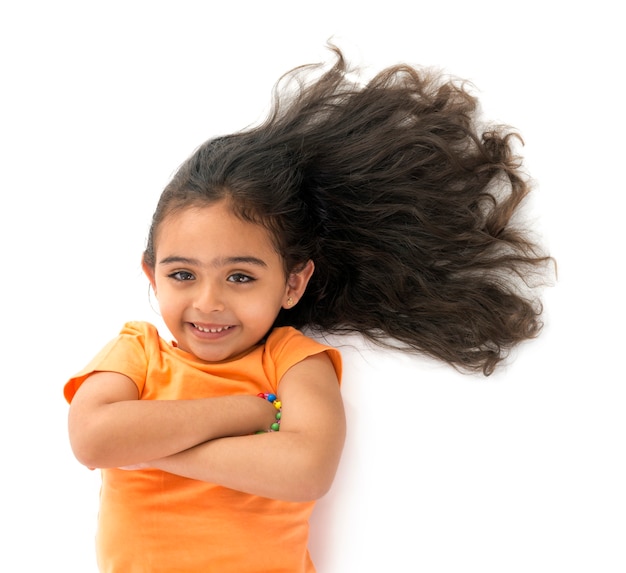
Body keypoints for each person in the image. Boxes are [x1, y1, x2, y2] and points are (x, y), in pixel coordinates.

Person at [64, 46, 553, 572]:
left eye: (241, 277)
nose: (208, 302)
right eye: (182, 274)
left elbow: (305, 470)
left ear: (293, 283)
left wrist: (148, 448)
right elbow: (92, 438)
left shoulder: (292, 361)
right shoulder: (137, 350)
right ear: (150, 274)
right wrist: (252, 412)